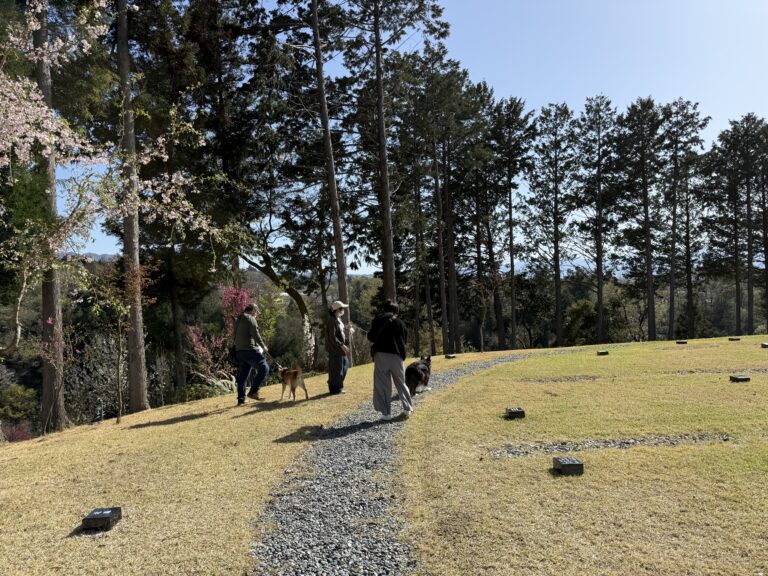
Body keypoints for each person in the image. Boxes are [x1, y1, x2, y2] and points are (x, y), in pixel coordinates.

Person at [367, 299, 413, 420]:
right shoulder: (400, 322)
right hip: (396, 356)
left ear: (384, 309)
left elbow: (371, 337)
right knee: (401, 383)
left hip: (380, 356)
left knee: (382, 385)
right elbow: (404, 340)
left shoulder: (377, 320)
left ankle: (386, 413)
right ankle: (407, 408)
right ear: (395, 310)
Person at [233, 303, 270, 405]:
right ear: (253, 310)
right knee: (264, 368)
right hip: (249, 350)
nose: (257, 315)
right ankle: (253, 391)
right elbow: (256, 334)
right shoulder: (250, 318)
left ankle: (241, 400)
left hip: (239, 351)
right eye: (257, 312)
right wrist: (263, 346)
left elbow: (234, 335)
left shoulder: (238, 319)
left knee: (243, 376)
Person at [325, 300, 350, 395]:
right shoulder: (332, 321)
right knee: (336, 369)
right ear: (336, 310)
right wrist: (342, 345)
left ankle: (336, 385)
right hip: (335, 350)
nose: (343, 310)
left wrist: (346, 328)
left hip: (339, 349)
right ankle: (335, 389)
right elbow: (332, 337)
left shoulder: (337, 319)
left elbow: (339, 331)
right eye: (341, 308)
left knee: (344, 366)